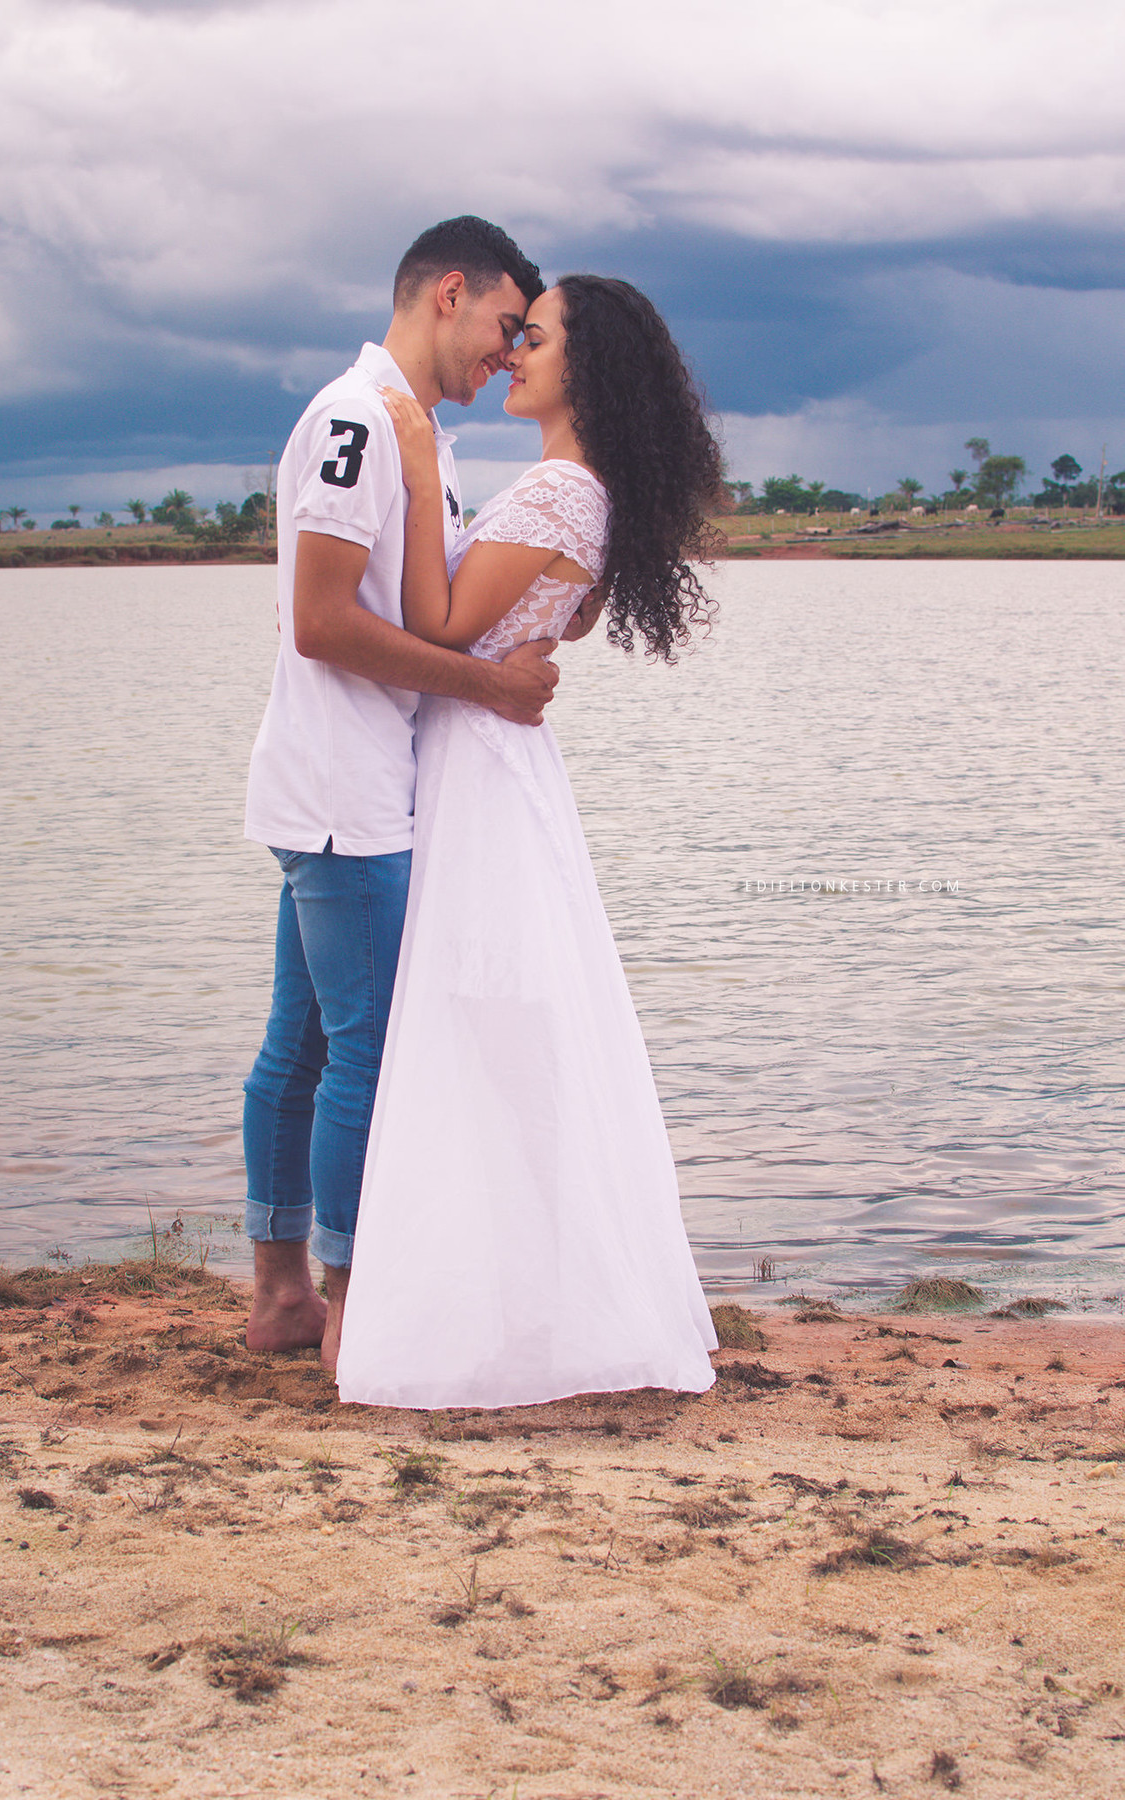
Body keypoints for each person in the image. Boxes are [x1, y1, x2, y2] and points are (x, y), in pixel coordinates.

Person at [335, 276, 724, 1408]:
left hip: (477, 774)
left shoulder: (560, 492)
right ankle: (523, 1299)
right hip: (497, 766)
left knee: (481, 1031)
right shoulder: (579, 494)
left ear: (585, 370)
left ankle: (491, 1315)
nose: (512, 354)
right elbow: (541, 625)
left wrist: (415, 469)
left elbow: (435, 627)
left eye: (533, 339)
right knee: (506, 1037)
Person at [242, 217, 568, 1370]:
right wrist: (486, 685)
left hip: (346, 784)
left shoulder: (413, 432)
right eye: (501, 324)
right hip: (346, 793)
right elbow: (324, 624)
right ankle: (348, 1311)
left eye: (525, 336)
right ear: (446, 292)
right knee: (364, 1050)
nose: (506, 349)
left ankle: (283, 1301)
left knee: (302, 1047)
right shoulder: (355, 421)